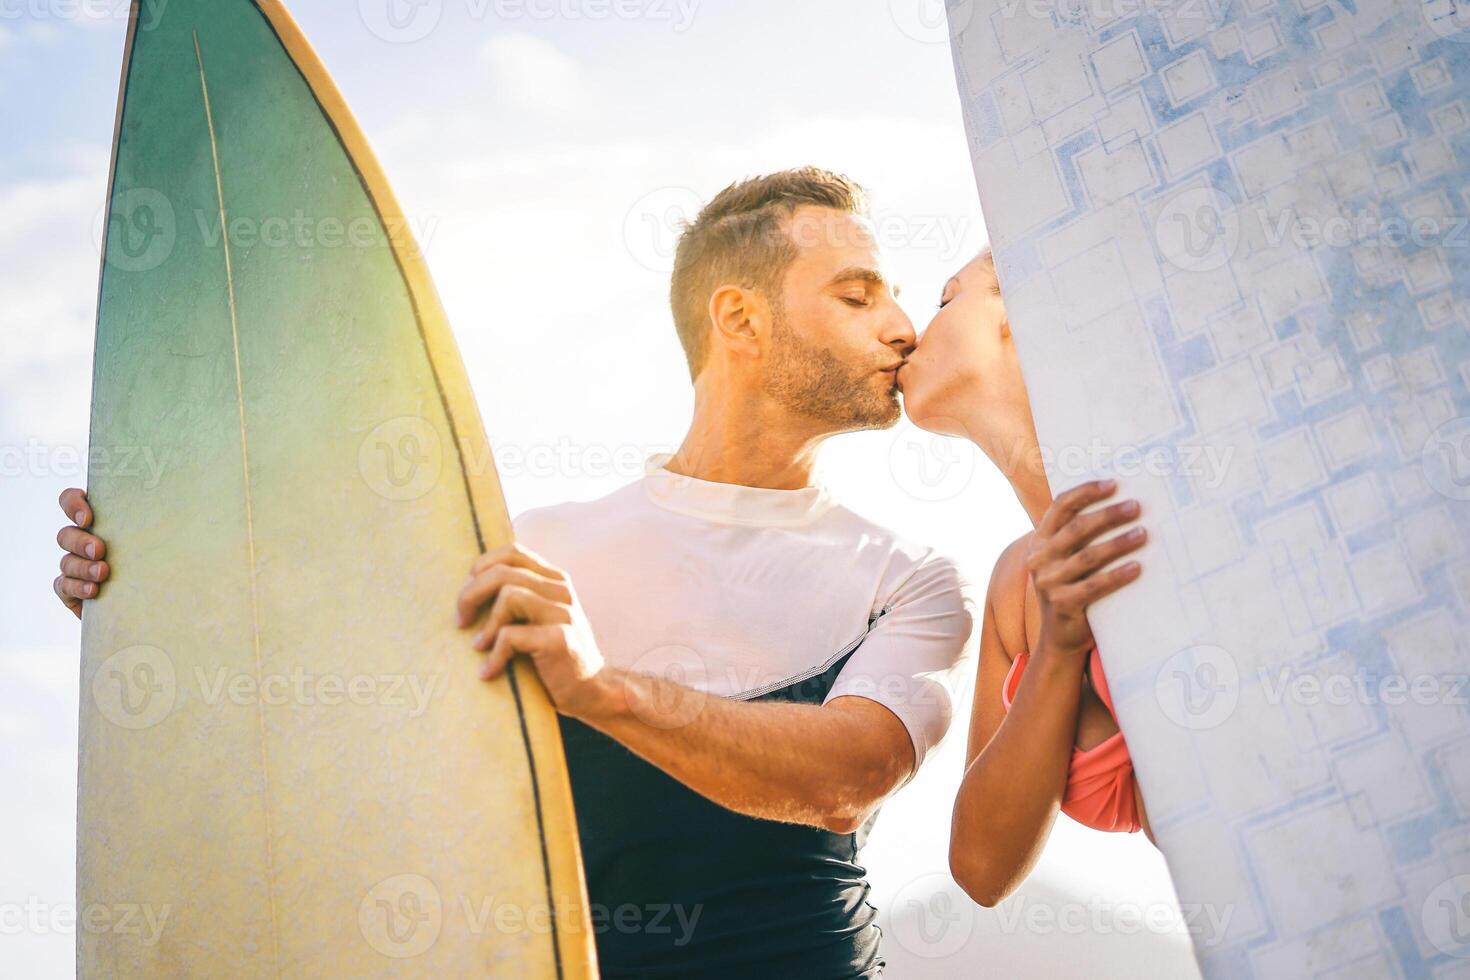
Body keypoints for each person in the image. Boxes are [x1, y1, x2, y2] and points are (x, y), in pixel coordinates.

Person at [57, 167, 980, 977]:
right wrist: (143, 587)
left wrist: (602, 691)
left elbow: (850, 778)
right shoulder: (536, 549)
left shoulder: (908, 577)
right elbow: (321, 686)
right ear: (738, 316)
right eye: (858, 297)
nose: (903, 328)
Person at [897, 250, 1153, 911]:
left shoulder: (1159, 498)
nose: (906, 334)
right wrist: (1061, 651)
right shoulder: (1016, 586)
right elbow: (981, 870)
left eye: (945, 299)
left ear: (1018, 316)